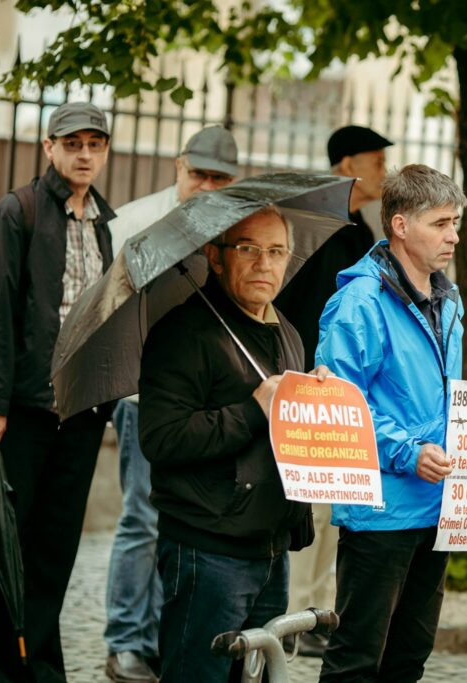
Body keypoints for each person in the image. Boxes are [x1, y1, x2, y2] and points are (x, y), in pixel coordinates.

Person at [315, 164, 467, 682]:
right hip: (380, 510)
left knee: (409, 657)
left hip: (436, 507)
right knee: (356, 659)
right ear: (400, 225)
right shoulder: (359, 301)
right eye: (441, 223)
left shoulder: (448, 298)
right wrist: (408, 451)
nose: (454, 236)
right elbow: (340, 404)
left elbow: (441, 401)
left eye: (455, 223)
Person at [0, 101, 117, 682]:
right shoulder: (16, 212)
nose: (84, 154)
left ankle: (34, 668)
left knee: (52, 552)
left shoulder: (104, 223)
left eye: (94, 144)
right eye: (73, 144)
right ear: (49, 147)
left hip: (81, 414)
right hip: (22, 412)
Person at [138, 206, 321, 682]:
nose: (264, 263)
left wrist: (317, 399)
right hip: (208, 550)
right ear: (215, 257)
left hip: (271, 548)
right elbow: (161, 438)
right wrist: (253, 409)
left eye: (276, 251)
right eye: (248, 249)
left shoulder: (288, 332)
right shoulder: (182, 332)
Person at [103, 125, 238, 683]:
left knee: (185, 521)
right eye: (198, 173)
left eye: (219, 178)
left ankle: (162, 636)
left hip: (208, 404)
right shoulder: (134, 223)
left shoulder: (236, 227)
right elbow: (109, 312)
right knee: (142, 516)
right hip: (145, 395)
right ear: (178, 167)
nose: (206, 186)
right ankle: (125, 641)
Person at [274, 124, 392, 657]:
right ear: (347, 166)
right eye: (376, 161)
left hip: (345, 388)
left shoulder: (359, 229)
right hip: (313, 384)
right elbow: (300, 308)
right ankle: (296, 617)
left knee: (333, 506)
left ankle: (319, 613)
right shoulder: (318, 227)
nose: (384, 172)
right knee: (313, 507)